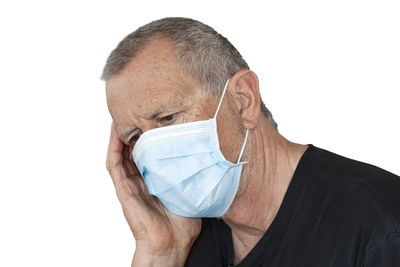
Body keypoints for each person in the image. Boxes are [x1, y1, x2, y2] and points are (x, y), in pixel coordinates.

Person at [103, 17, 400, 267]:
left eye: (167, 118)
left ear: (244, 100)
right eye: (137, 137)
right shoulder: (186, 238)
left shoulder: (379, 225)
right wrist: (159, 252)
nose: (154, 150)